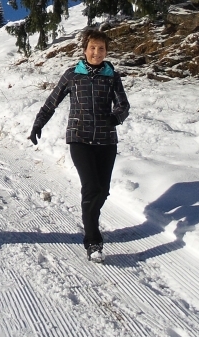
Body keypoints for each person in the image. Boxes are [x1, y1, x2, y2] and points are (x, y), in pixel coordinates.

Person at [28, 27, 130, 263]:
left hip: (106, 141)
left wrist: (116, 117)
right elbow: (51, 101)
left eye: (101, 48)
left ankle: (89, 219)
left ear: (106, 51)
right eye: (92, 47)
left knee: (102, 190)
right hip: (79, 139)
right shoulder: (72, 74)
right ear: (84, 50)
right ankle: (93, 240)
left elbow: (123, 105)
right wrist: (37, 124)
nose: (97, 52)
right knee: (92, 186)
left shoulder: (112, 76)